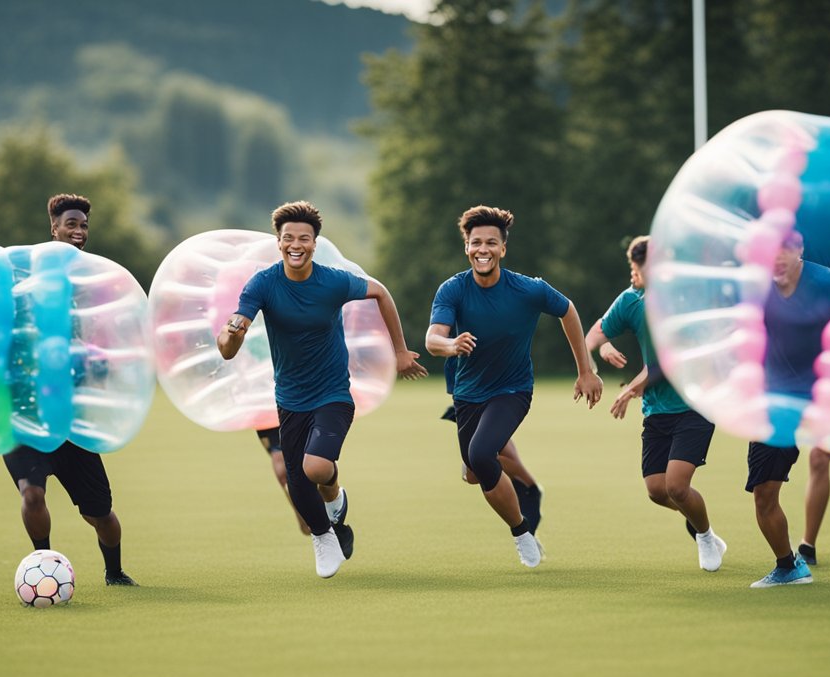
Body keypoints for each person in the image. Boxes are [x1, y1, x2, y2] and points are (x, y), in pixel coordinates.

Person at [218, 201, 426, 578]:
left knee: (314, 466)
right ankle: (325, 534)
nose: (296, 244)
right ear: (278, 242)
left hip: (332, 393)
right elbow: (228, 348)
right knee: (297, 481)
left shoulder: (332, 280)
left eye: (304, 238)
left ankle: (334, 501)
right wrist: (232, 333)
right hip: (290, 398)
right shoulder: (263, 283)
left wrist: (399, 350)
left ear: (315, 242)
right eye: (288, 238)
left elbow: (380, 292)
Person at [426, 205, 603, 568]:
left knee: (480, 454)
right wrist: (451, 345)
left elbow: (567, 310)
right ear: (467, 248)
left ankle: (522, 533)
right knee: (473, 474)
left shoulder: (528, 289)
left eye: (491, 243)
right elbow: (432, 339)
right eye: (476, 243)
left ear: (503, 249)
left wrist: (585, 370)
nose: (483, 249)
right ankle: (525, 480)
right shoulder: (453, 289)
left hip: (513, 390)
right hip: (467, 392)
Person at [0, 194, 138, 587]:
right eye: (71, 224)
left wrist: (99, 361)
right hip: (24, 416)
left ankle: (114, 572)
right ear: (53, 229)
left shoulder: (91, 285)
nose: (78, 232)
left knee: (100, 514)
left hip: (71, 419)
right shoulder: (24, 282)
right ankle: (43, 566)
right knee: (32, 496)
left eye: (83, 226)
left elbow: (104, 343)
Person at [585, 236, 726, 571]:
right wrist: (602, 347)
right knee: (656, 490)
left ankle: (704, 536)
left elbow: (670, 361)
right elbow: (591, 336)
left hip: (694, 404)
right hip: (657, 410)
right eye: (634, 268)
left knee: (677, 485)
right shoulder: (631, 301)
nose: (635, 274)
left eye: (640, 268)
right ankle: (706, 528)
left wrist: (631, 389)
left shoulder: (685, 302)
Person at [744, 231, 830, 587]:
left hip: (823, 397)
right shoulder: (756, 291)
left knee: (821, 460)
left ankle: (800, 555)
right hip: (775, 402)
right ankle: (789, 565)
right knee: (763, 493)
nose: (777, 257)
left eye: (786, 248)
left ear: (800, 248)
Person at [442, 349, 544, 523]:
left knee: (481, 459)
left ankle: (528, 490)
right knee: (472, 475)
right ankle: (528, 485)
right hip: (463, 371)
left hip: (497, 373)